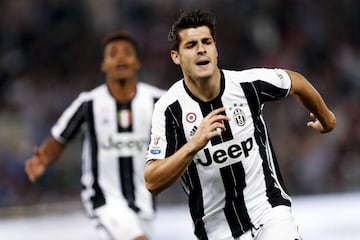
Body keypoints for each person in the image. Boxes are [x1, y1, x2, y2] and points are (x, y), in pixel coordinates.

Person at [144, 9, 336, 240]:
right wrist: (193, 145)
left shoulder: (246, 85)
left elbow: (295, 82)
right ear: (176, 56)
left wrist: (327, 119)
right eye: (191, 45)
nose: (201, 49)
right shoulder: (169, 109)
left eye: (207, 42)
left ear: (216, 49)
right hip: (216, 230)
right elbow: (152, 180)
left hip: (268, 210)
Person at [25, 30, 165, 240]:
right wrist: (44, 158)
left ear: (137, 62)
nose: (120, 57)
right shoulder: (88, 104)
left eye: (127, 52)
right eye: (113, 53)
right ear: (104, 64)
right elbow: (60, 139)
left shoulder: (158, 101)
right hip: (104, 200)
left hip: (144, 203)